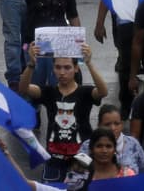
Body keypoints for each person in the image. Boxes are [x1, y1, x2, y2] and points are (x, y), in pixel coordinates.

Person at [18, 43, 109, 184]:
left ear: (76, 68)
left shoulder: (85, 92)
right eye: (58, 67)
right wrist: (31, 64)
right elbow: (23, 88)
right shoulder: (49, 92)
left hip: (81, 160)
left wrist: (89, 63)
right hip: (54, 160)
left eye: (67, 67)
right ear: (53, 69)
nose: (62, 72)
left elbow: (103, 91)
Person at [97, 105, 144, 174]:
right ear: (99, 125)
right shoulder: (89, 145)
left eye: (116, 124)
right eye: (107, 124)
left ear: (122, 125)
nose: (112, 128)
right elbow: (80, 175)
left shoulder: (133, 144)